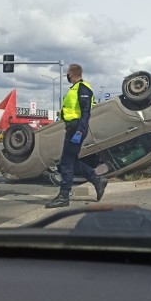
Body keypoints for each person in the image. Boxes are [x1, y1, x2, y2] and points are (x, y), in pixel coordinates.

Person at [45, 64, 108, 208]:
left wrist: (80, 130)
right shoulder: (74, 88)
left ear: (71, 73)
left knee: (66, 163)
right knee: (70, 161)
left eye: (67, 73)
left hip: (77, 129)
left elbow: (86, 111)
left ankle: (64, 196)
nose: (66, 76)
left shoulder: (83, 88)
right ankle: (97, 180)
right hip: (72, 128)